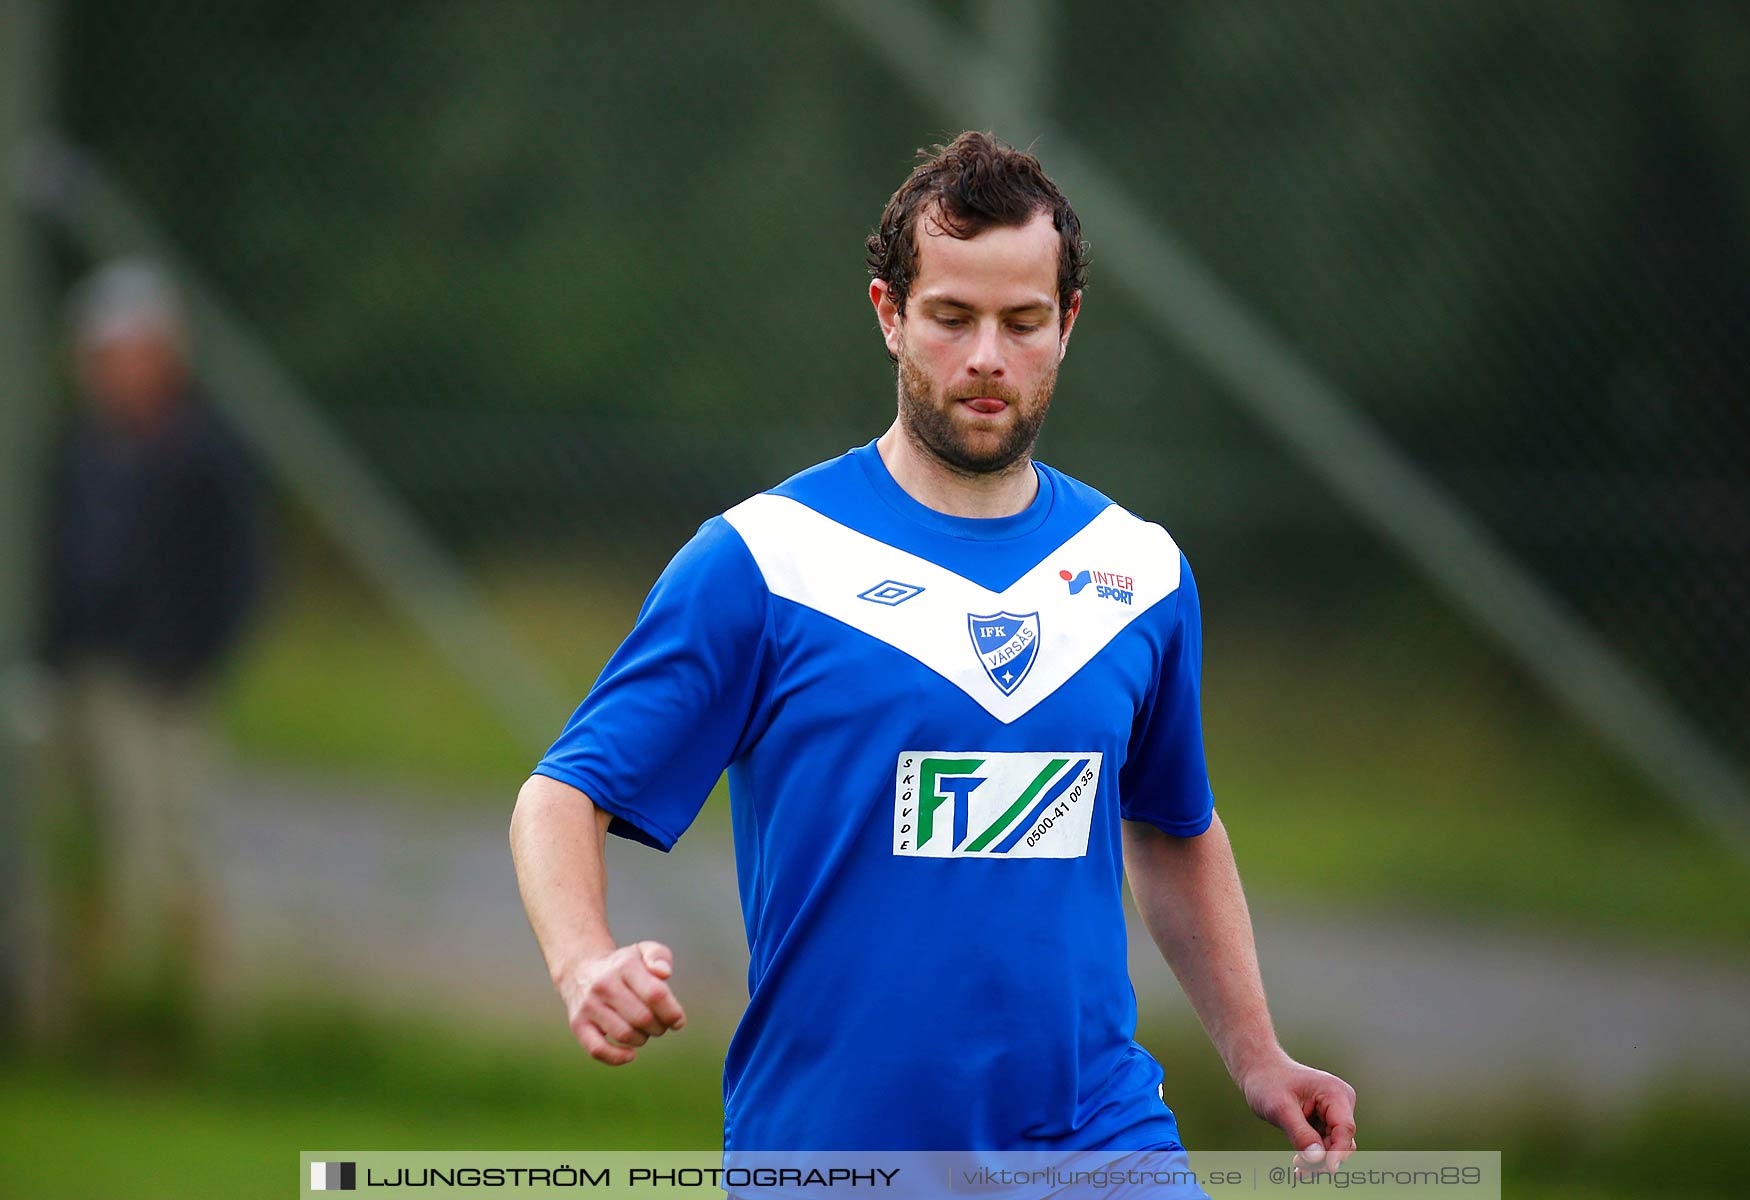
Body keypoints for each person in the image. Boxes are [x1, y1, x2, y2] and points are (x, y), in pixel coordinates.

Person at [511, 132, 1356, 1165]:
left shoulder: (1136, 571)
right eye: (953, 318)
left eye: (1023, 321)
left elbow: (1174, 827)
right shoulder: (766, 560)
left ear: (1068, 325)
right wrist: (583, 963)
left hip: (1097, 1144)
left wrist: (1258, 1054)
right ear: (890, 316)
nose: (988, 357)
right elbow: (562, 795)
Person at [35, 258, 262, 1025]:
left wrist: (193, 657)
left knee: (165, 849)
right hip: (79, 671)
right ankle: (69, 1005)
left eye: (130, 355)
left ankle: (171, 1011)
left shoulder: (203, 455)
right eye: (102, 358)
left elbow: (239, 576)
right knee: (67, 840)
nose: (114, 374)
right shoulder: (81, 451)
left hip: (162, 682)